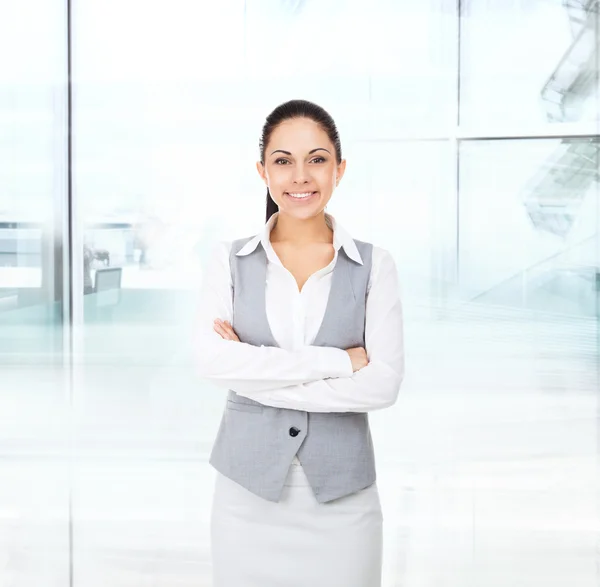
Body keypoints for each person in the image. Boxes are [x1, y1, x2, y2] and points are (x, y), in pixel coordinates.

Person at [195, 99, 405, 587]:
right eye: (283, 161)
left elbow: (382, 386)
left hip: (344, 502)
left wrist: (251, 371)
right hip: (244, 497)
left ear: (339, 169)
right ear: (262, 171)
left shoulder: (376, 265)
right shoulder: (229, 260)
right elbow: (209, 359)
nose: (300, 176)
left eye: (316, 159)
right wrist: (337, 362)